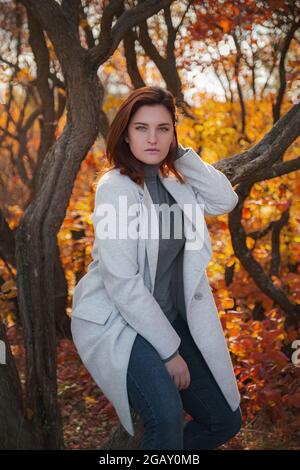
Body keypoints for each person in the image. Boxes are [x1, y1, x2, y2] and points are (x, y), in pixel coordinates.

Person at [71, 85, 242, 450]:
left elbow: (224, 199)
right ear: (126, 134)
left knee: (224, 420)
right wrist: (169, 353)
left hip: (169, 319)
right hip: (120, 321)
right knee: (164, 420)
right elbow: (123, 283)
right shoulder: (114, 187)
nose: (153, 138)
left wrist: (178, 154)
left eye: (163, 129)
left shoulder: (174, 182)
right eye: (141, 128)